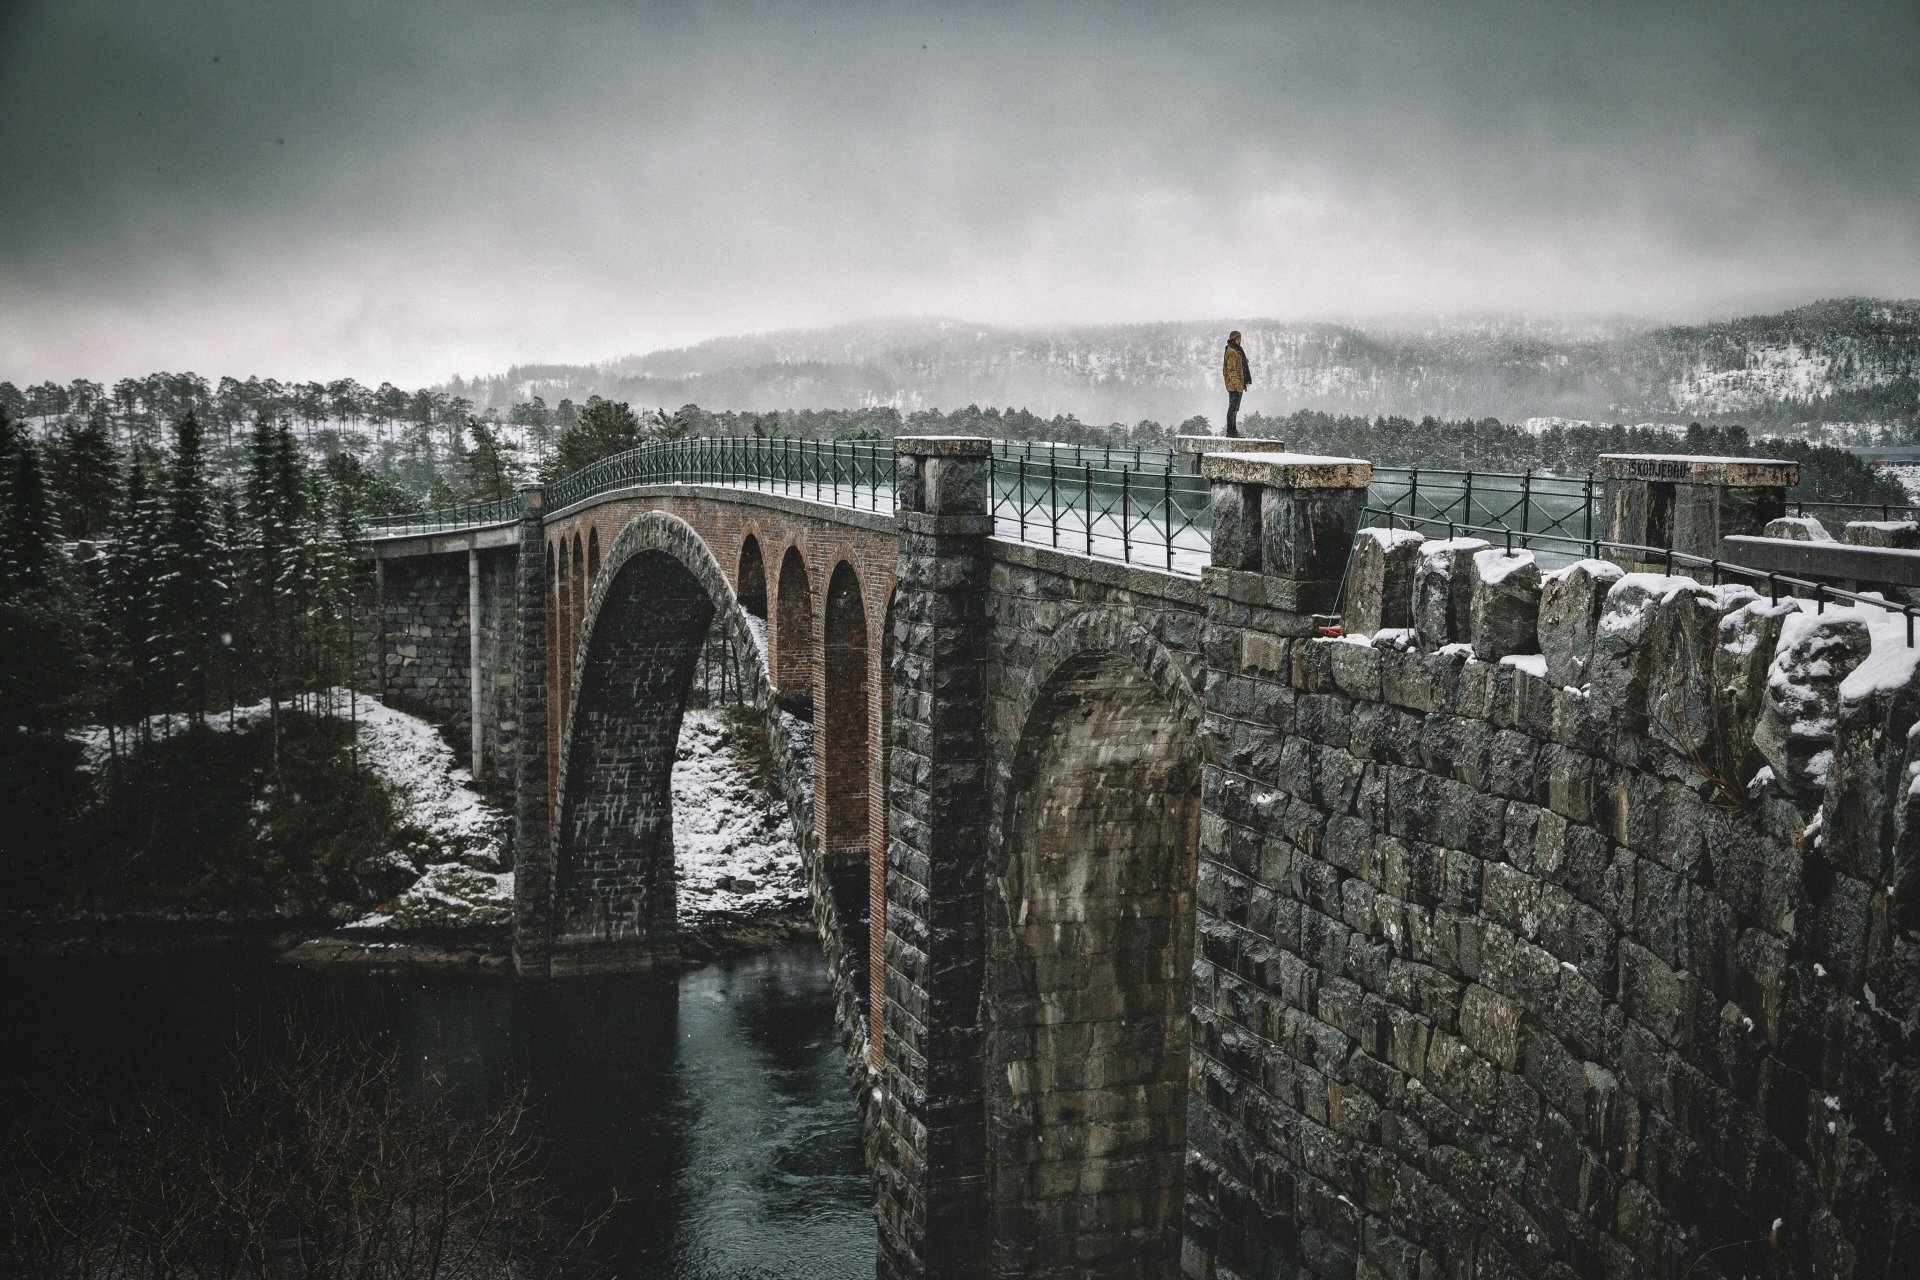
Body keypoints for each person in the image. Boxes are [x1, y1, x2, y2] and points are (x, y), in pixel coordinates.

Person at [1221, 330, 1252, 437]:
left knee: (1235, 408)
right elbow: (1231, 370)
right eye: (1239, 338)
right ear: (1236, 338)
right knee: (1233, 408)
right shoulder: (1232, 352)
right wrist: (1238, 384)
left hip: (1236, 385)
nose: (1241, 340)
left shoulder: (1236, 350)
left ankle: (1233, 431)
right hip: (1234, 386)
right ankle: (1231, 431)